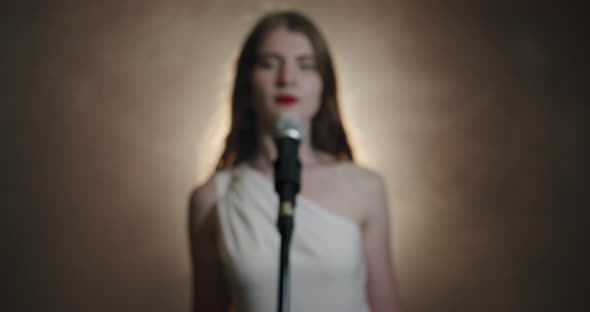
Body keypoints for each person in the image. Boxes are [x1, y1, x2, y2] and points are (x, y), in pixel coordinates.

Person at [189, 10, 402, 312]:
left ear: (323, 84)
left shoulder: (365, 187)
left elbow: (387, 305)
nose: (287, 79)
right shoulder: (212, 200)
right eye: (269, 64)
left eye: (306, 65)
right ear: (247, 82)